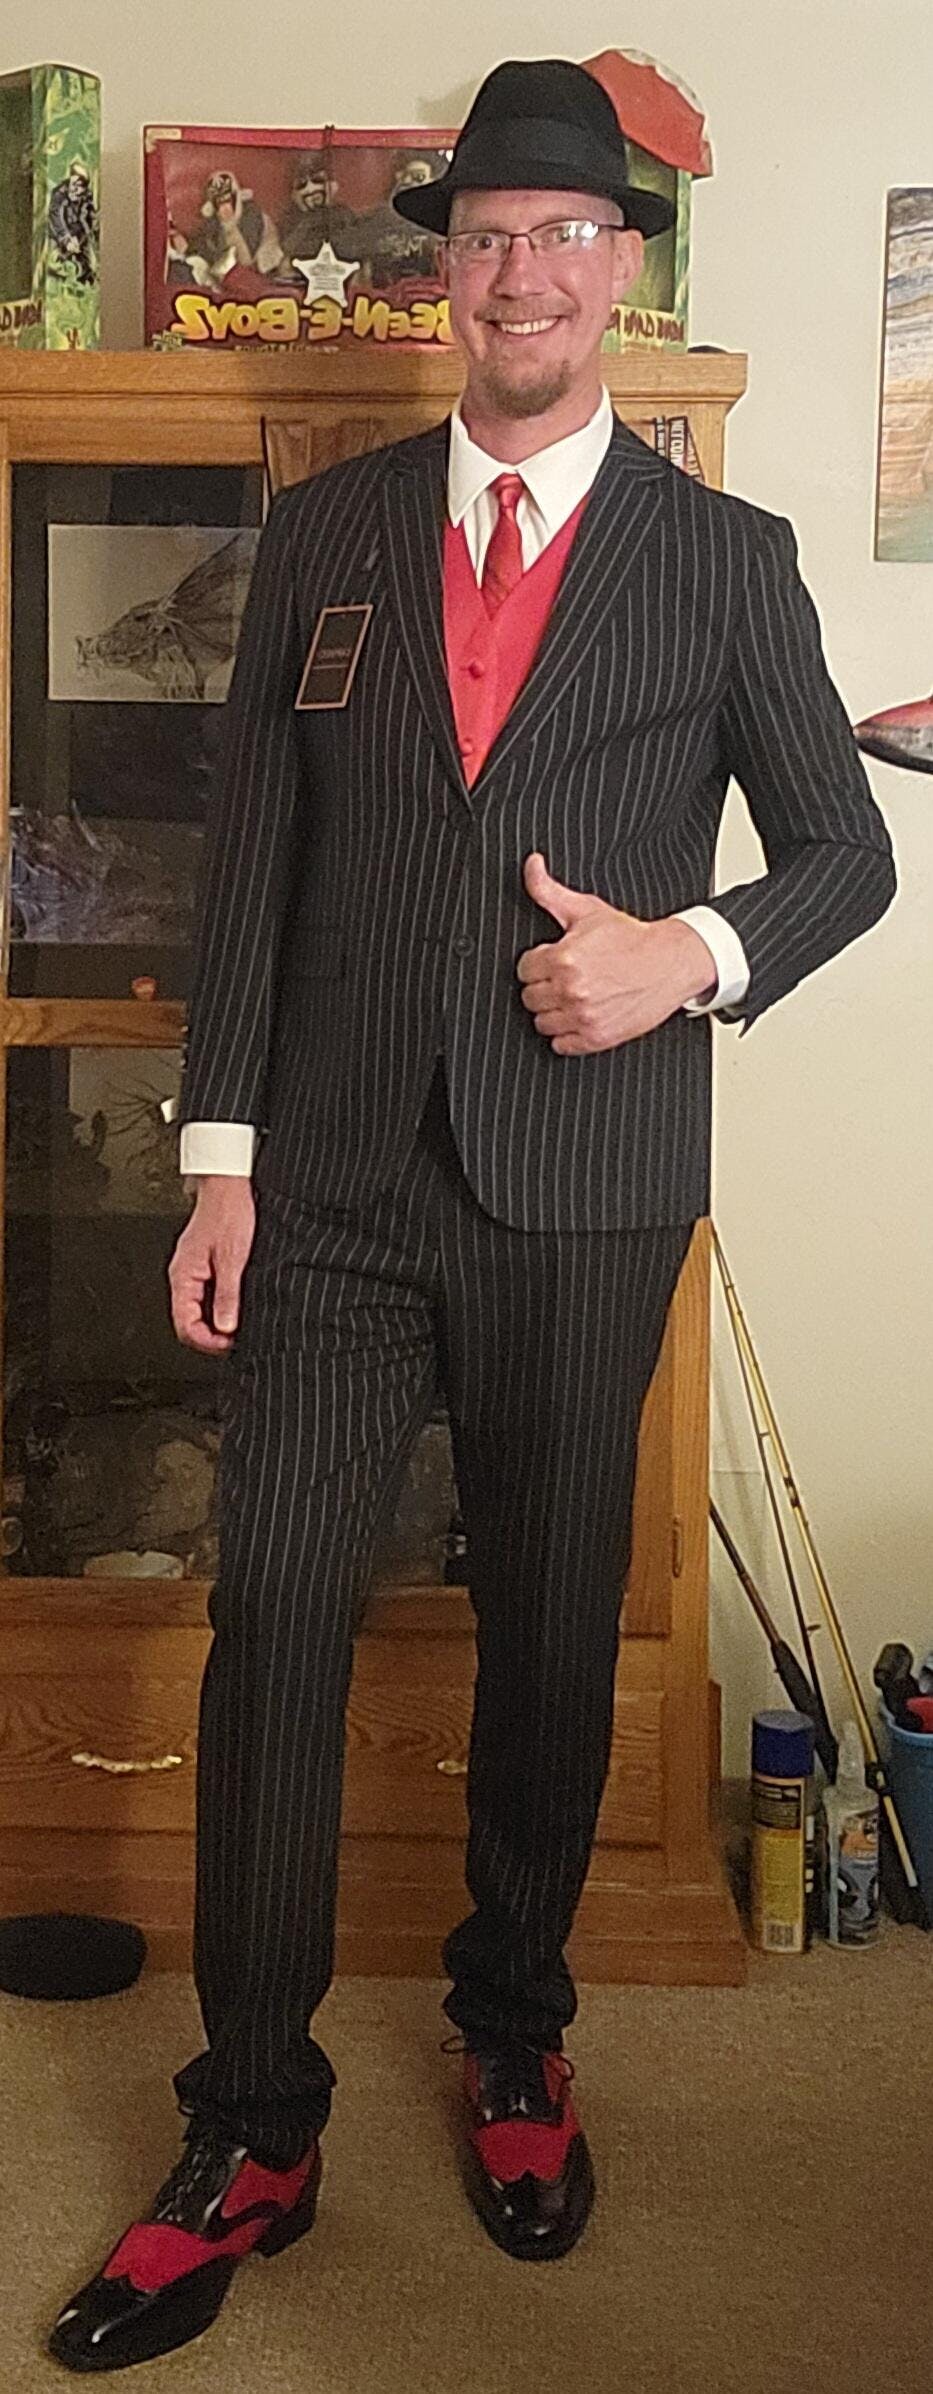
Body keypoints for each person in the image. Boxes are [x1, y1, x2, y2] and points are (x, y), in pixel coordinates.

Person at [49, 56, 896, 2373]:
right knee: (272, 1617)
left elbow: (844, 854)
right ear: (447, 275)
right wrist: (215, 1162)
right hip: (325, 1186)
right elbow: (256, 869)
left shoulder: (720, 562)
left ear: (618, 273)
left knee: (543, 1628)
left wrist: (682, 955)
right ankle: (252, 2121)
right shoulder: (325, 531)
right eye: (487, 237)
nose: (519, 275)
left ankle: (514, 2035)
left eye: (561, 236)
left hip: (583, 1190)